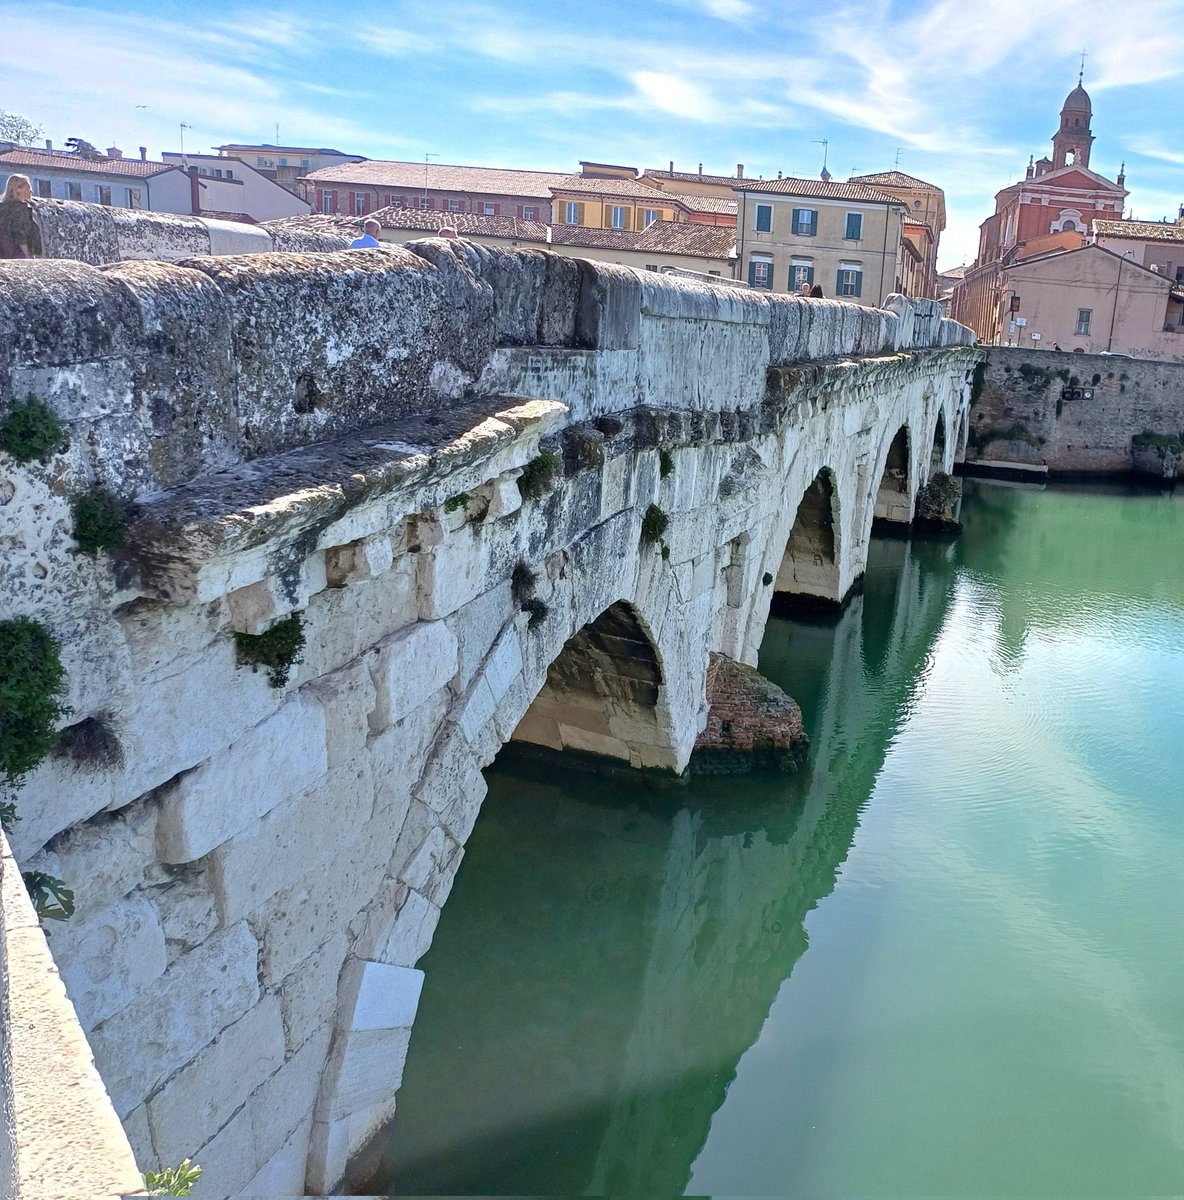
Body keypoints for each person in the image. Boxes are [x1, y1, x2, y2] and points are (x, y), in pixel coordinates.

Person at [0, 174, 42, 260]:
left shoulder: (3, 207)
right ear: (17, 190)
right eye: (28, 188)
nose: (31, 191)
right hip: (17, 253)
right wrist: (27, 256)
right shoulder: (20, 208)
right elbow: (20, 233)